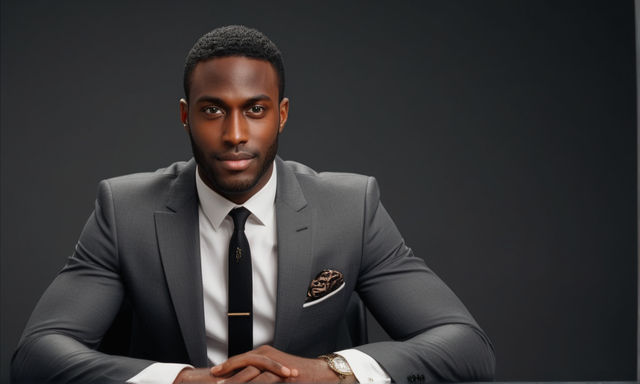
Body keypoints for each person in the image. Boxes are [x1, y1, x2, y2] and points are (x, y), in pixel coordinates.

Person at [12, 25, 495, 384]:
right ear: (185, 116)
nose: (235, 134)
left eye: (255, 109)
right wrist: (181, 381)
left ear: (281, 115)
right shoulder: (124, 210)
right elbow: (37, 354)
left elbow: (466, 346)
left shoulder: (351, 208)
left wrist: (328, 374)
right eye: (213, 110)